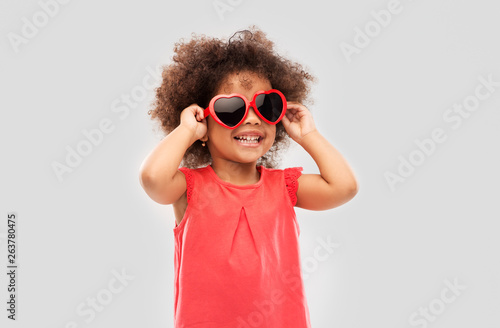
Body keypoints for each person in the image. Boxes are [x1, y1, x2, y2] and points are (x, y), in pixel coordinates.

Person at [139, 25, 359, 328]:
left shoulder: (284, 186)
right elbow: (153, 179)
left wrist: (308, 135)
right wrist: (186, 130)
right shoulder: (188, 187)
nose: (253, 117)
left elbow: (344, 187)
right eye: (232, 108)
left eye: (266, 106)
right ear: (204, 120)